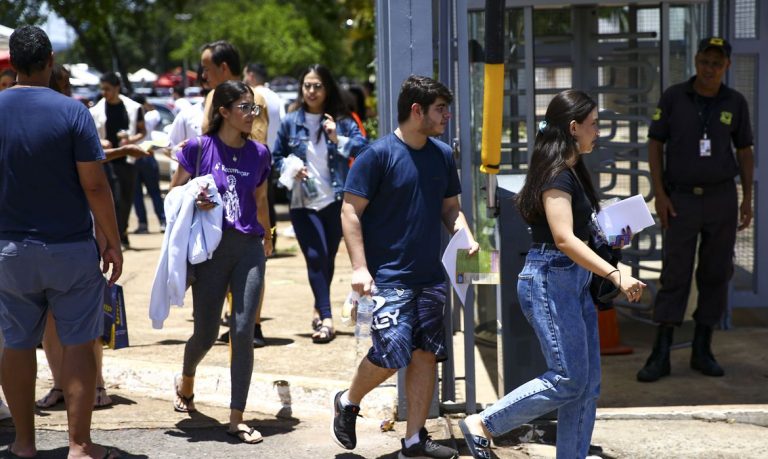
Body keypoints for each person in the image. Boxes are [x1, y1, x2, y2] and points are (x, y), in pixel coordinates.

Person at [455, 89, 645, 459]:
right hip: (551, 279)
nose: (598, 132)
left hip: (572, 280)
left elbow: (580, 233)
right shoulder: (557, 175)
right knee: (569, 378)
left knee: (586, 386)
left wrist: (614, 236)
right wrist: (615, 274)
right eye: (593, 125)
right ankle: (484, 423)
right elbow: (563, 238)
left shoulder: (572, 171)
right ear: (573, 128)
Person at [331, 75, 476, 459]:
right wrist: (359, 268)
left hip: (430, 277)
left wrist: (466, 238)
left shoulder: (442, 155)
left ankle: (414, 440)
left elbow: (450, 208)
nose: (447, 116)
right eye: (440, 109)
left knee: (425, 355)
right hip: (388, 279)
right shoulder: (376, 156)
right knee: (391, 354)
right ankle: (348, 400)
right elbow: (349, 211)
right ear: (417, 110)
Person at [0, 25, 122, 459]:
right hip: (69, 249)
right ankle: (79, 445)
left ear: (13, 63)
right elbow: (95, 185)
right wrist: (112, 240)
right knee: (77, 342)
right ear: (50, 60)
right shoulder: (73, 112)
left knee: (16, 343)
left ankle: (23, 443)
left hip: (10, 250)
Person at [637, 37, 754, 383]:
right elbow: (655, 143)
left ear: (726, 66)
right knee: (675, 273)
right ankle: (660, 353)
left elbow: (744, 150)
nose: (709, 69)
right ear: (696, 60)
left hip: (721, 198)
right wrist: (660, 194)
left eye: (717, 64)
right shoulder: (674, 97)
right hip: (681, 199)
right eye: (705, 61)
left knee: (716, 272)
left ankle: (703, 348)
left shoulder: (735, 102)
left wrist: (747, 198)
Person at [170, 80, 272, 444]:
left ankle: (236, 417)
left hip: (249, 247)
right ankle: (186, 379)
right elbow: (174, 195)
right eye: (244, 107)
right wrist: (194, 199)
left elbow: (261, 199)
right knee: (206, 333)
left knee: (243, 330)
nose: (251, 114)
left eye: (253, 107)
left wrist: (268, 238)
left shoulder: (260, 153)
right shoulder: (198, 148)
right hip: (210, 251)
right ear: (224, 111)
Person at [36, 63, 127, 411]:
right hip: (55, 234)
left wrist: (106, 237)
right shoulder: (52, 117)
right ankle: (65, 385)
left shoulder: (75, 116)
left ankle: (95, 385)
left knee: (78, 320)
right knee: (60, 321)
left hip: (74, 231)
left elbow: (95, 184)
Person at [272, 64, 366, 344]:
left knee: (327, 257)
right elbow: (275, 157)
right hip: (302, 201)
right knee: (315, 256)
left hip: (335, 201)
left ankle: (318, 306)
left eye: (317, 86)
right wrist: (290, 168)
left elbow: (365, 149)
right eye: (307, 85)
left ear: (327, 89)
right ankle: (326, 319)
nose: (311, 91)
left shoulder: (343, 121)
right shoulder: (291, 122)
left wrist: (338, 138)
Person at [198, 41, 272, 348]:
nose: (203, 75)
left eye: (207, 68)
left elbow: (256, 145)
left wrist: (266, 231)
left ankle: (252, 324)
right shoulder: (213, 98)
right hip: (215, 207)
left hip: (245, 194)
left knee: (251, 261)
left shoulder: (253, 99)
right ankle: (234, 321)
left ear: (224, 67)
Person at [90, 72, 147, 248]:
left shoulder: (133, 108)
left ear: (117, 88)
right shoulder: (96, 111)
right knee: (114, 199)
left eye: (107, 89)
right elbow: (90, 135)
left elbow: (142, 131)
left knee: (127, 198)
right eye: (102, 89)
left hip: (127, 159)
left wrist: (130, 140)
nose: (104, 93)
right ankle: (116, 236)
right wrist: (101, 142)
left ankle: (122, 232)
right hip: (107, 160)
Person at [131, 94, 167, 234]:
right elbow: (155, 112)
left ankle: (143, 224)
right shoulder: (149, 117)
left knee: (137, 194)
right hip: (147, 155)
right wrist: (147, 105)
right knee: (154, 192)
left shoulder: (131, 119)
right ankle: (163, 221)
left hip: (133, 157)